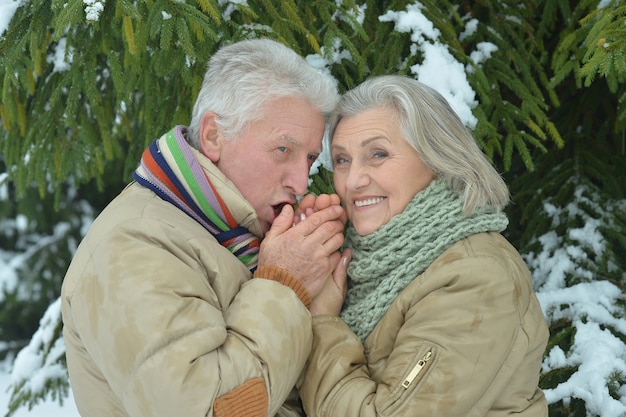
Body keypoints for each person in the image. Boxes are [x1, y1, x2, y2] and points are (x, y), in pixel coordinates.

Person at [60, 38, 350, 417]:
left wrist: (314, 307)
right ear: (214, 135)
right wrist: (283, 285)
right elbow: (210, 408)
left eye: (310, 159)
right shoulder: (134, 243)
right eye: (283, 150)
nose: (301, 182)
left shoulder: (229, 233)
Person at [295, 75, 549, 416]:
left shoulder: (475, 277)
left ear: (436, 159)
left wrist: (322, 322)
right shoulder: (357, 261)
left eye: (378, 154)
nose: (353, 180)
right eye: (342, 160)